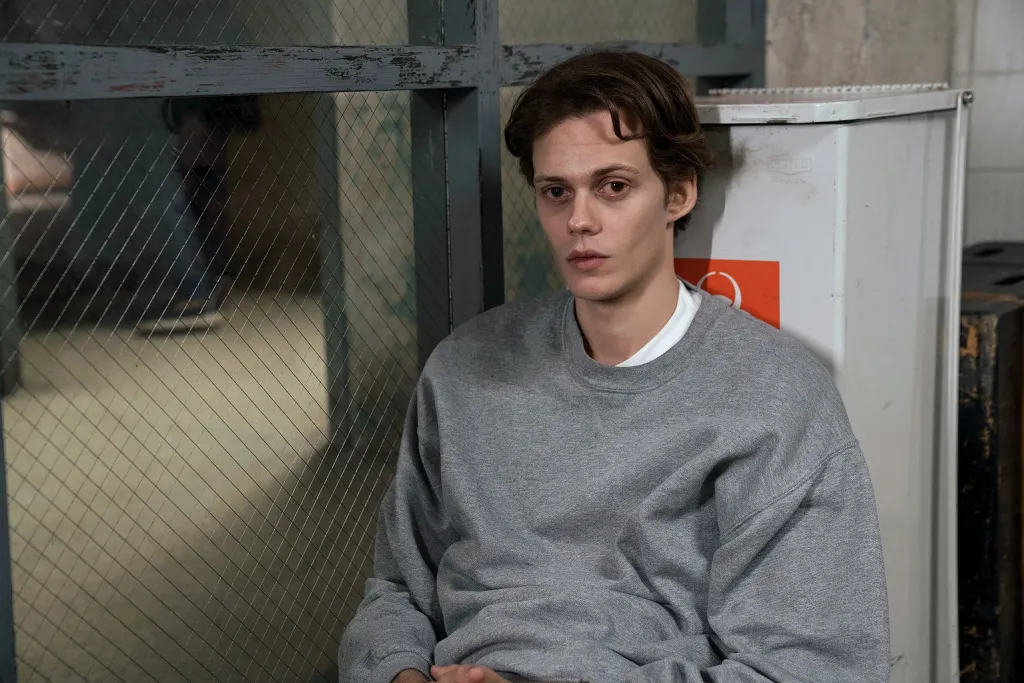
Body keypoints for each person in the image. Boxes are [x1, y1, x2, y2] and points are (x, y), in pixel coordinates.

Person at [338, 50, 891, 683]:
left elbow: (813, 668)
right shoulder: (465, 368)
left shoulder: (774, 396)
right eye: (556, 192)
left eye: (613, 187)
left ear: (678, 194)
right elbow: (397, 591)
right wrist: (399, 674)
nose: (579, 221)